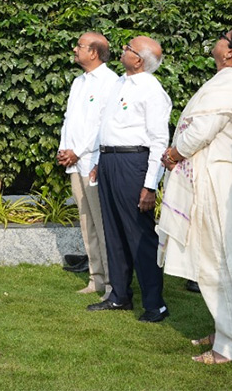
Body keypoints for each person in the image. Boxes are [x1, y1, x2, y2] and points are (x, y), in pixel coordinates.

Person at [158, 27, 232, 364]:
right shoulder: (231, 82)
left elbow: (201, 131)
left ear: (231, 51)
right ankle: (225, 332)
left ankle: (231, 348)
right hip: (213, 174)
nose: (217, 40)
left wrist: (175, 153)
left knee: (220, 261)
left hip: (215, 178)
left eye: (223, 37)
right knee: (212, 258)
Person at [89, 35, 171, 322]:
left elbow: (159, 140)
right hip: (110, 159)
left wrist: (150, 185)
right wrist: (99, 161)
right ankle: (119, 295)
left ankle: (154, 303)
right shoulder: (119, 84)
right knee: (113, 231)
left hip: (133, 161)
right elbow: (107, 125)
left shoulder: (151, 90)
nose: (123, 50)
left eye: (128, 48)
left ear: (138, 60)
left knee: (140, 234)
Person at [58, 32, 117, 300]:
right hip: (75, 162)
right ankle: (96, 279)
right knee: (86, 223)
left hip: (93, 161)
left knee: (103, 224)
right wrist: (64, 149)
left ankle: (114, 282)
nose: (75, 49)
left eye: (80, 46)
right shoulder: (78, 82)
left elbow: (100, 125)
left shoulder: (111, 82)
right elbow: (70, 119)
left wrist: (78, 151)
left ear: (94, 52)